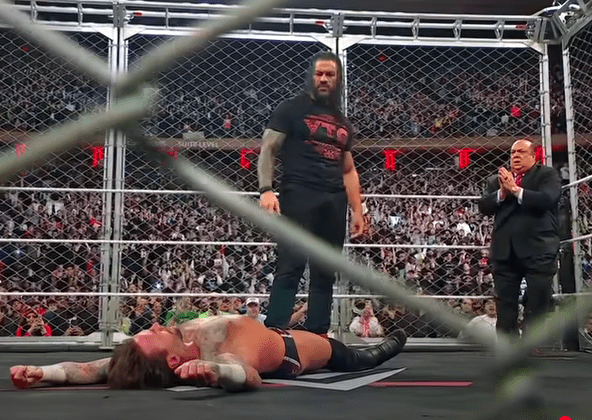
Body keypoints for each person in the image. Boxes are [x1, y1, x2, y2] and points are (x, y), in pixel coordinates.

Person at [257, 51, 365, 336]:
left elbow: (349, 170)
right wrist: (266, 190)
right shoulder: (292, 109)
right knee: (290, 263)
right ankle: (276, 330)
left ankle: (318, 333)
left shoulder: (343, 122)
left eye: (330, 74)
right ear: (311, 77)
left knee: (325, 269)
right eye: (319, 74)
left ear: (338, 79)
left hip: (334, 199)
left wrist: (357, 210)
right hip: (299, 192)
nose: (324, 79)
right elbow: (268, 148)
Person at [10, 315, 407, 392]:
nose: (153, 326)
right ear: (172, 361)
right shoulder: (218, 353)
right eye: (152, 335)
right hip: (291, 349)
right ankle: (378, 351)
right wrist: (217, 374)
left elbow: (91, 368)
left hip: (270, 330)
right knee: (353, 358)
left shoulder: (167, 346)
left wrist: (44, 372)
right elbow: (246, 374)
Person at [478, 138, 561, 338]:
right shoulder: (497, 180)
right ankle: (508, 345)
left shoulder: (546, 175)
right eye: (513, 153)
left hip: (539, 248)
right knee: (505, 301)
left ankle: (531, 343)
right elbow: (484, 206)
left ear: (533, 156)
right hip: (505, 251)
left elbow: (548, 199)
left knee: (538, 298)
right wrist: (502, 192)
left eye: (521, 152)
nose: (515, 156)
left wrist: (515, 190)